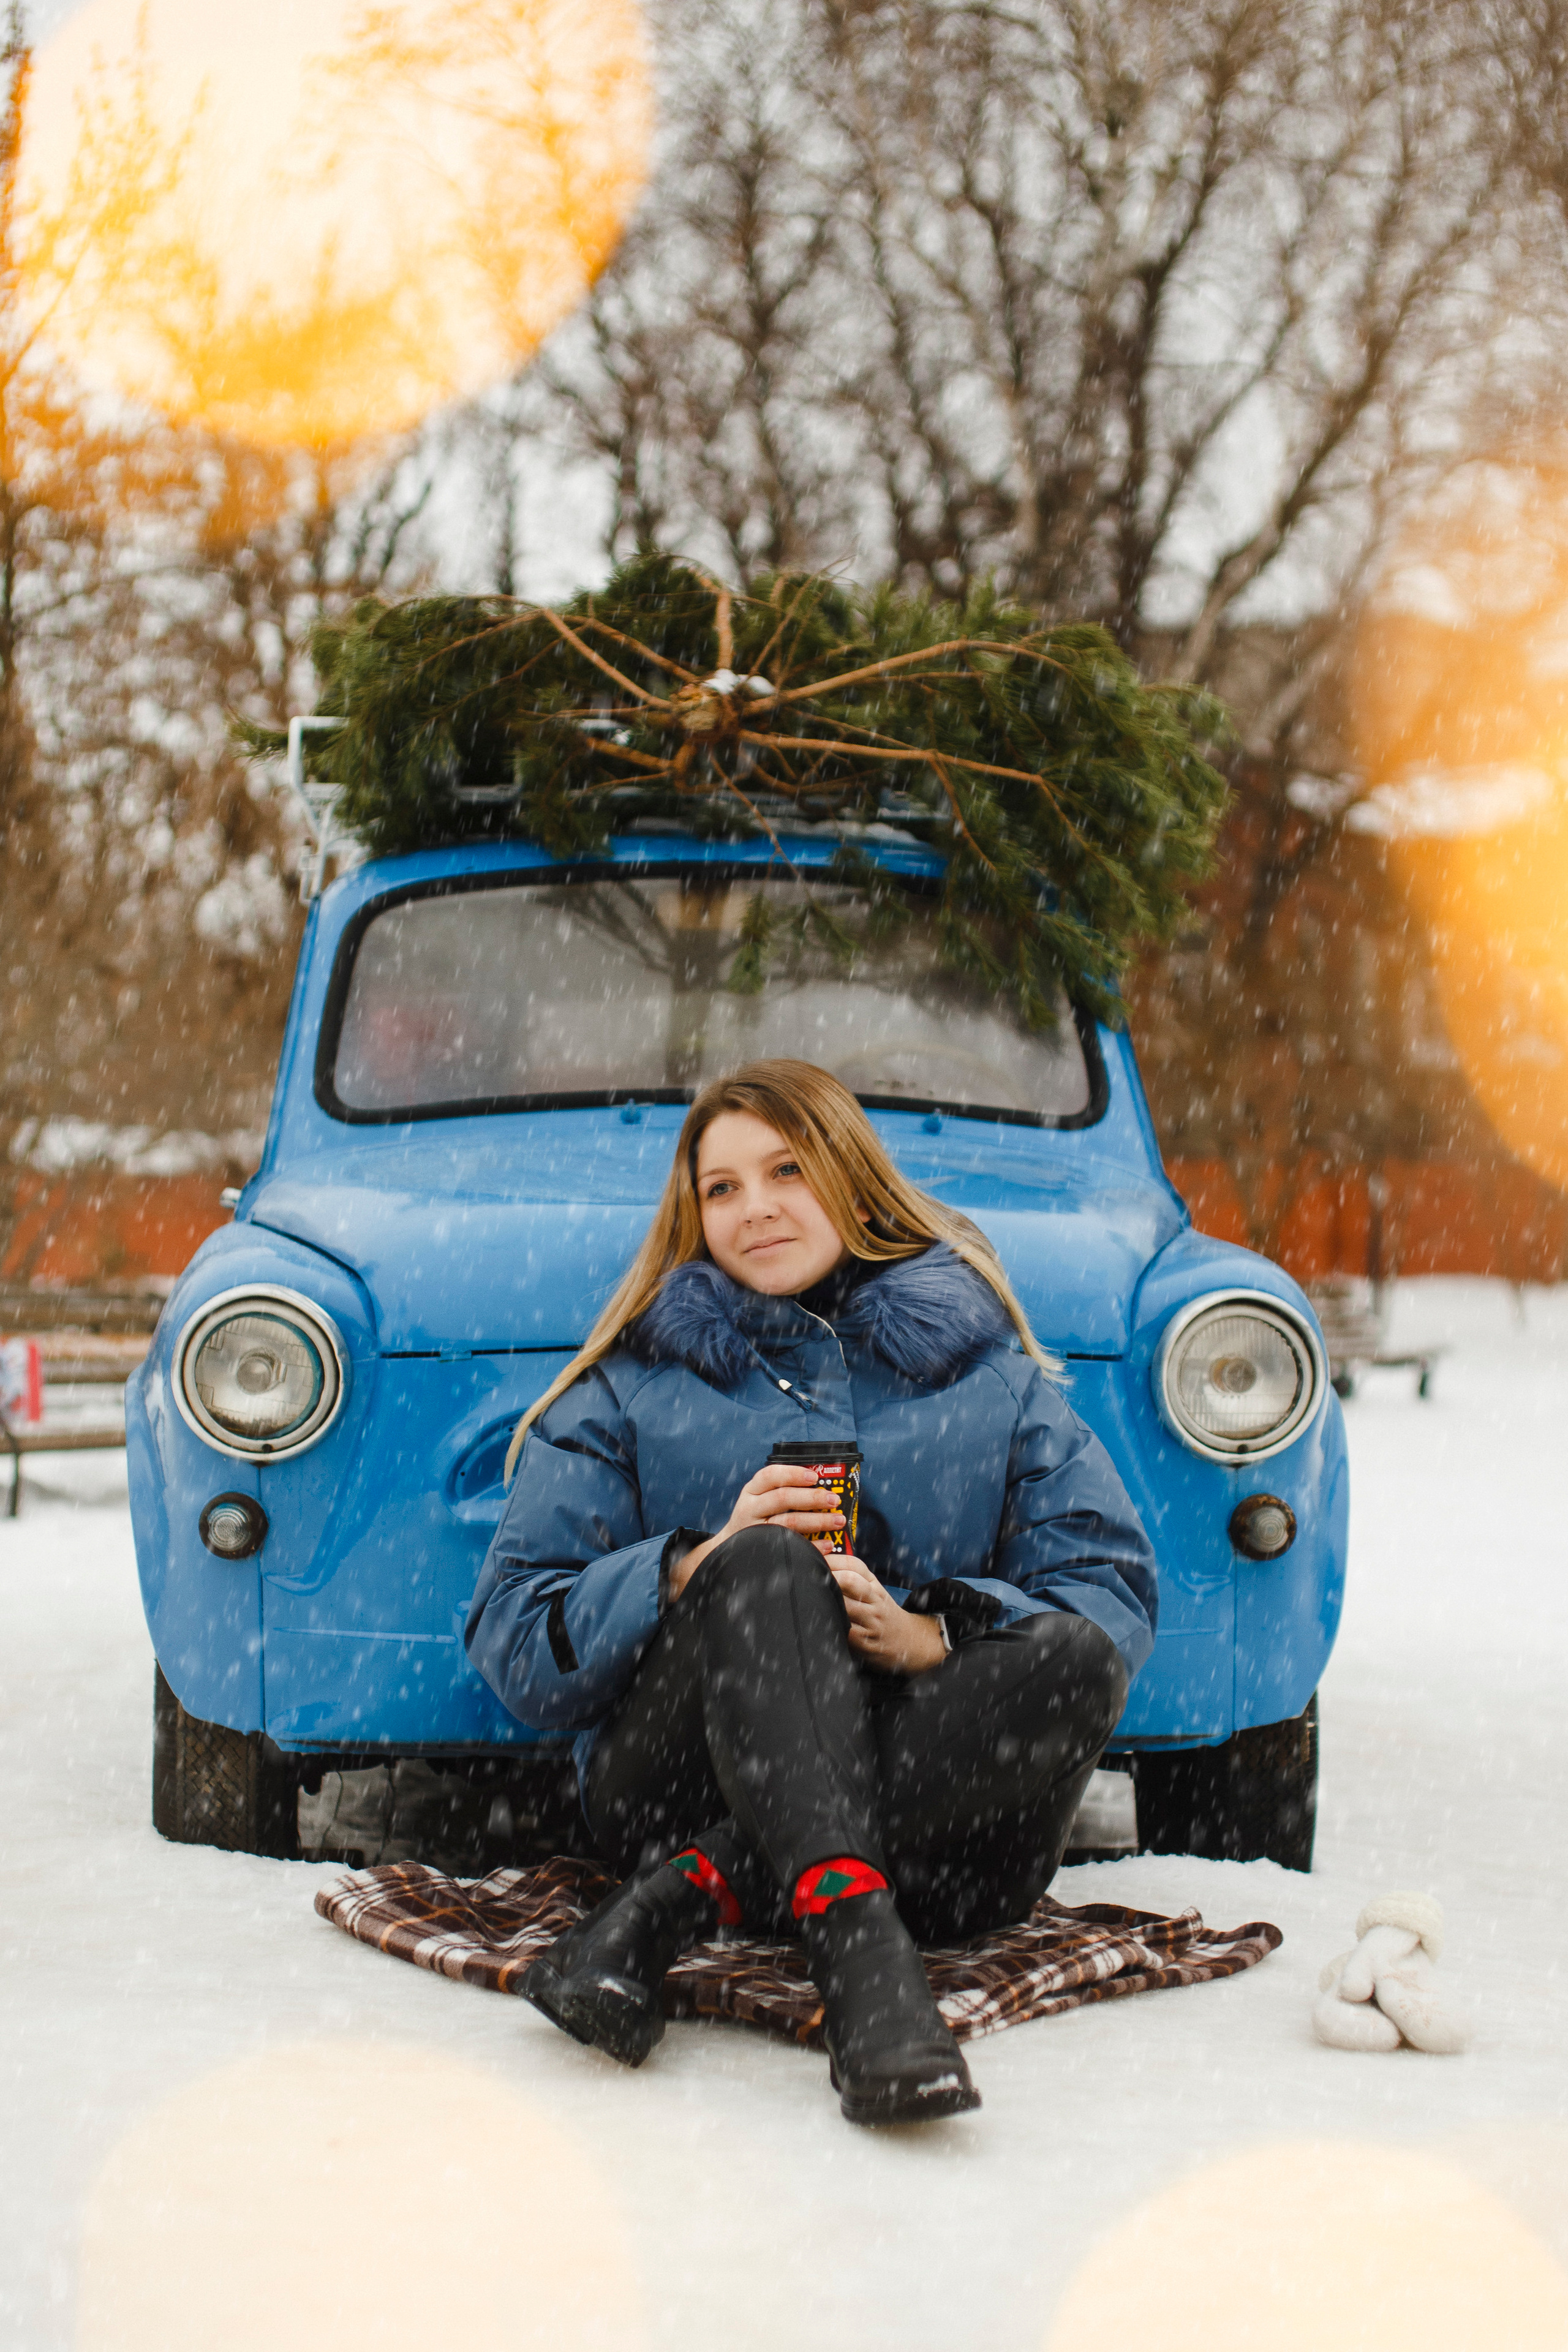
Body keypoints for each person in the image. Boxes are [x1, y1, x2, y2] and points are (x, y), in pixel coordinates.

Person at [466, 1058, 1158, 2125]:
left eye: (787, 1170)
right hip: (681, 1791)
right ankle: (870, 1980)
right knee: (767, 1559)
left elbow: (1110, 1594)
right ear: (694, 1217)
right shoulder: (637, 1386)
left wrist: (938, 1633)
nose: (757, 1209)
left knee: (1076, 1662)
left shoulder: (992, 1381)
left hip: (957, 1846)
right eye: (723, 1188)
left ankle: (689, 1897)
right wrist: (692, 1568)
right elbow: (515, 1638)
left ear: (850, 1175)